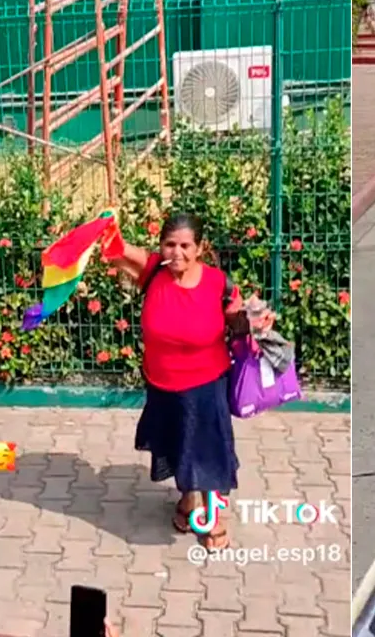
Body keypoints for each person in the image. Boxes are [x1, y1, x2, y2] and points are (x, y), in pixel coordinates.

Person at [104, 213, 275, 549]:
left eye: (185, 246)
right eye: (170, 244)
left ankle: (213, 520)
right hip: (162, 385)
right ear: (161, 246)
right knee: (177, 445)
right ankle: (187, 500)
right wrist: (106, 224)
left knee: (208, 454)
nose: (177, 252)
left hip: (205, 386)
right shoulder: (152, 271)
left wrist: (256, 320)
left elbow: (236, 320)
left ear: (199, 249)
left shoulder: (216, 283)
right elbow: (115, 249)